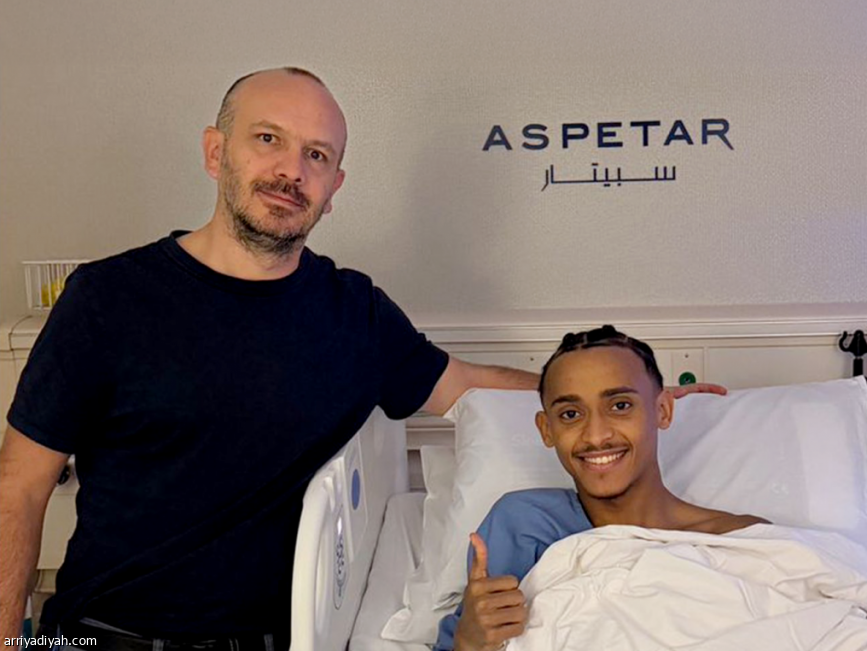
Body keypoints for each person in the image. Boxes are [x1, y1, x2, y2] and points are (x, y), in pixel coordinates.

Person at [0, 67, 545, 650]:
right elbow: (19, 488)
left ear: (334, 188)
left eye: (316, 155)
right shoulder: (107, 299)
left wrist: (610, 390)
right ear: (215, 153)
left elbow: (467, 384)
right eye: (268, 139)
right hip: (101, 634)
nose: (292, 170)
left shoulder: (354, 314)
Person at [435, 326, 764, 651]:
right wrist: (468, 644)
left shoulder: (745, 542)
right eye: (570, 414)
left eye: (620, 406)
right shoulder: (524, 525)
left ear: (662, 411)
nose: (596, 436)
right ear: (546, 430)